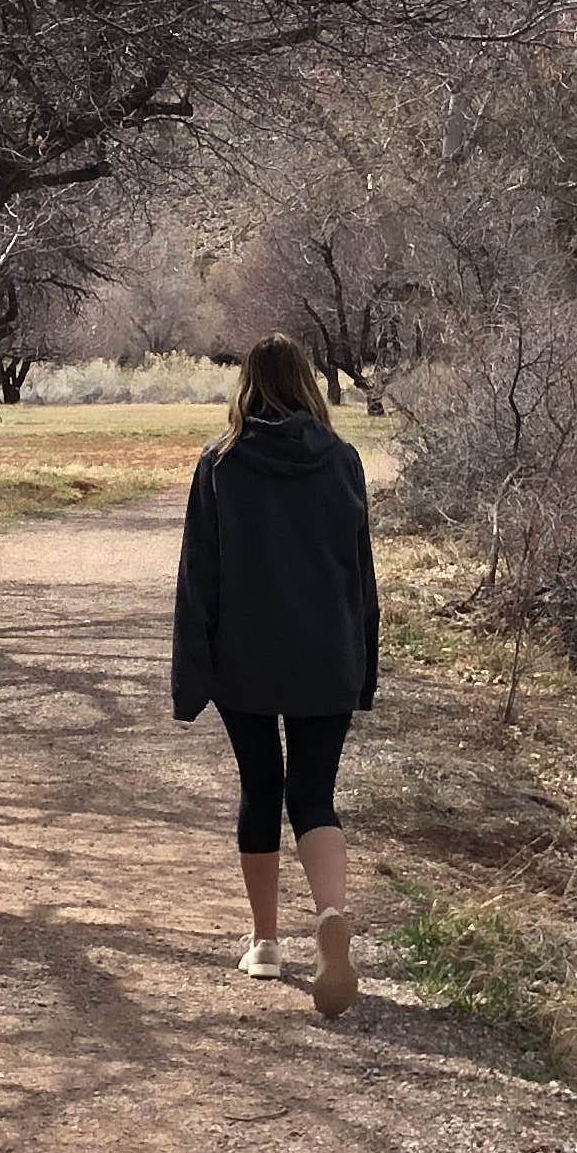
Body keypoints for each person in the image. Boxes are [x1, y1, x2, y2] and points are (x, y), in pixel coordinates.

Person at [169, 334, 381, 1018]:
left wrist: (191, 672)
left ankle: (264, 943)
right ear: (308, 383)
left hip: (246, 657)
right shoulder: (343, 461)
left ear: (247, 385)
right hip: (326, 654)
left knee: (261, 786)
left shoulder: (221, 464)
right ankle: (330, 914)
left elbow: (198, 575)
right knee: (314, 794)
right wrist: (364, 662)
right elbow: (359, 571)